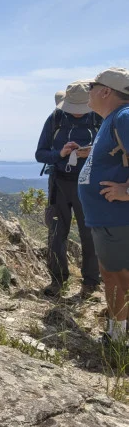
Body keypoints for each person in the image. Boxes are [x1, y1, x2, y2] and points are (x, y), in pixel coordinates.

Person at [35, 81, 102, 298]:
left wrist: (92, 152)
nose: (77, 113)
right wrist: (61, 154)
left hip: (89, 184)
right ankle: (57, 281)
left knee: (89, 235)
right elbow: (40, 154)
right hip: (59, 183)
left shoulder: (99, 119)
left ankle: (90, 283)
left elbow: (113, 152)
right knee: (56, 233)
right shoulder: (55, 119)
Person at [78, 67, 129, 344]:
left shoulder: (124, 116)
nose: (89, 92)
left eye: (92, 87)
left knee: (121, 277)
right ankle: (117, 335)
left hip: (118, 218)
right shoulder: (113, 120)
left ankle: (120, 340)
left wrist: (126, 191)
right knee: (112, 275)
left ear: (107, 91)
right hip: (107, 218)